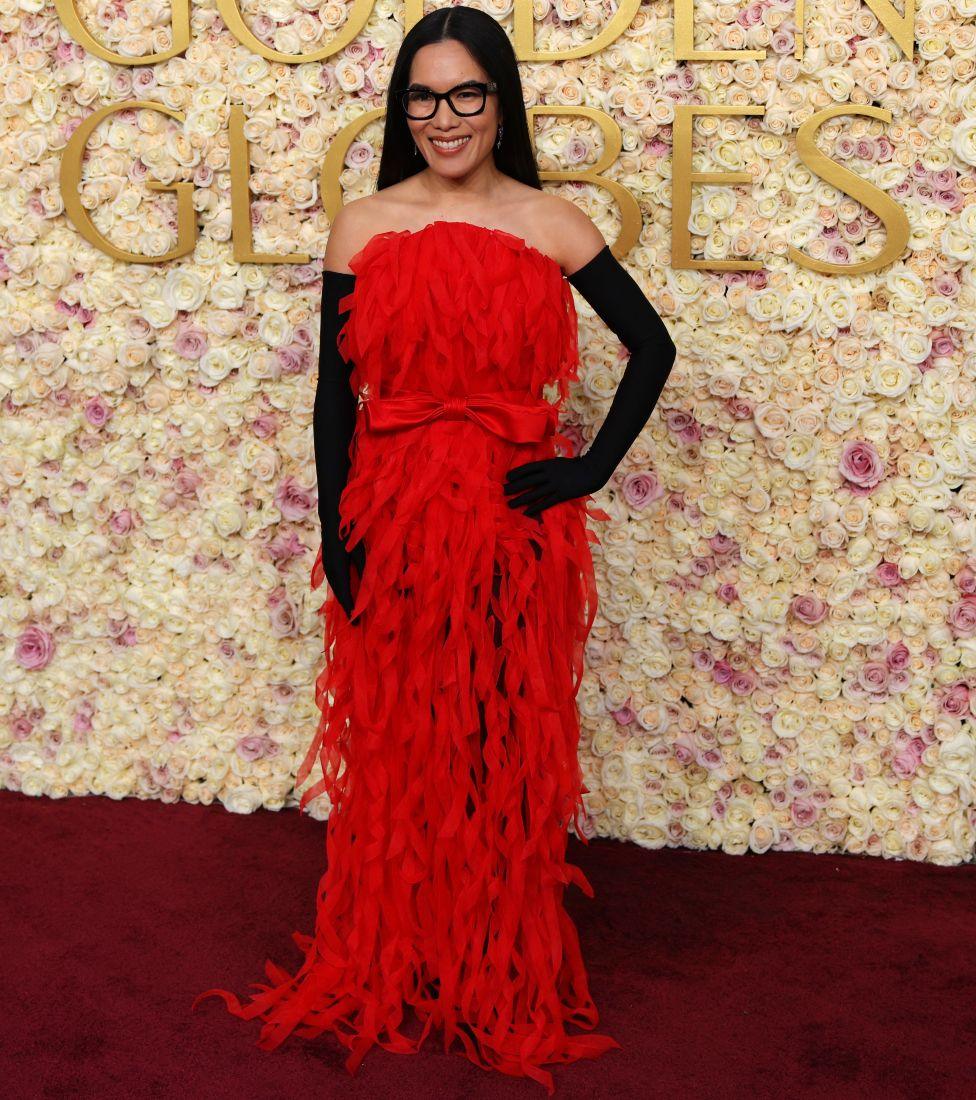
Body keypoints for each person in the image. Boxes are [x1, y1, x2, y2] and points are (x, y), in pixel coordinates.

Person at [192, 6, 676, 1095]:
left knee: (499, 745)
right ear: (400, 108)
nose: (444, 116)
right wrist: (335, 531)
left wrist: (587, 469)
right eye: (423, 95)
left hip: (513, 526)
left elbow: (652, 346)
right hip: (396, 514)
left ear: (500, 101)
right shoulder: (362, 223)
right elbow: (331, 396)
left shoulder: (551, 221)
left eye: (466, 94)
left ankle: (492, 974)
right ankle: (401, 959)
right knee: (406, 743)